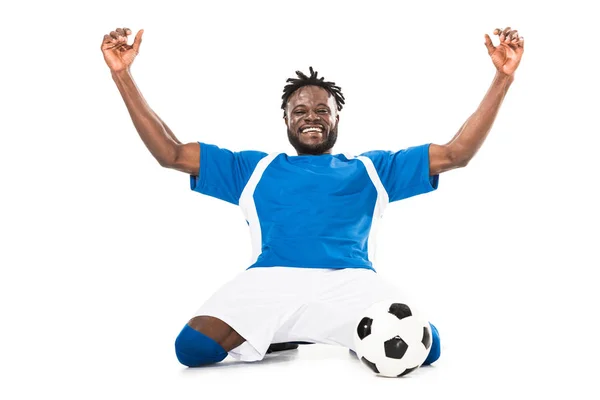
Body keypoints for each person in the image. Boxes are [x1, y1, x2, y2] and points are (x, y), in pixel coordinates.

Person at [100, 26, 524, 368]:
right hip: (270, 279)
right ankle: (288, 333)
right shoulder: (254, 168)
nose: (311, 118)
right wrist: (123, 75)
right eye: (300, 111)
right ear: (285, 120)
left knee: (427, 349)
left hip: (350, 281)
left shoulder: (372, 169)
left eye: (322, 110)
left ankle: (319, 330)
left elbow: (457, 154)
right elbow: (170, 154)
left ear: (337, 117)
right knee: (191, 349)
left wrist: (502, 78)